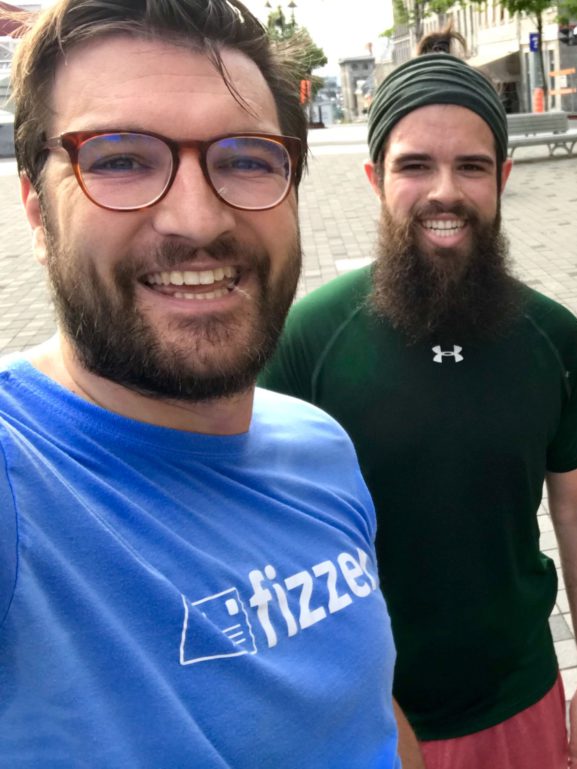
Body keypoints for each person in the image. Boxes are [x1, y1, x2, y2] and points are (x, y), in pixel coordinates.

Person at [0, 1, 401, 766]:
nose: (195, 216)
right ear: (35, 210)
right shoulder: (21, 480)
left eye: (246, 158)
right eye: (119, 158)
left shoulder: (321, 445)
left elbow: (368, 708)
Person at [260, 51, 577, 769]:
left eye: (473, 167)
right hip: (361, 711)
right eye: (415, 166)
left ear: (504, 179)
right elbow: (265, 536)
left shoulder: (555, 338)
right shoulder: (308, 338)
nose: (444, 192)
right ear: (375, 179)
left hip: (518, 695)